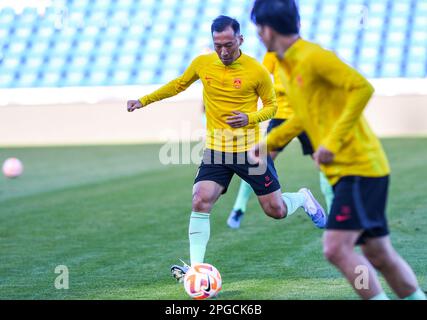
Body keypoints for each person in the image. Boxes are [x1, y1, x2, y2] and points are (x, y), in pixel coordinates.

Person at [126, 15, 326, 282]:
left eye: (228, 44)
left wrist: (249, 118)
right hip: (217, 150)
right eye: (218, 44)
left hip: (250, 151)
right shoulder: (202, 63)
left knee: (275, 210)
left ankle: (301, 198)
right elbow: (177, 85)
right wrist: (143, 101)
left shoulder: (256, 70)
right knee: (200, 199)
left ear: (240, 40)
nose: (223, 51)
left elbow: (272, 106)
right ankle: (196, 271)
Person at [249, 0, 426, 300]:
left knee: (336, 248)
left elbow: (361, 87)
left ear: (267, 30)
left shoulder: (313, 57)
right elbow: (304, 116)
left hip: (357, 168)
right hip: (353, 171)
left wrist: (331, 142)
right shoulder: (289, 65)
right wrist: (270, 144)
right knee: (379, 255)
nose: (258, 36)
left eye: (257, 29)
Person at [227, 51, 334, 229]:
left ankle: (334, 217)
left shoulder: (306, 53)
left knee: (325, 164)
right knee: (257, 162)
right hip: (282, 117)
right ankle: (239, 208)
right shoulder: (272, 54)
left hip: (307, 117)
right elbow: (260, 78)